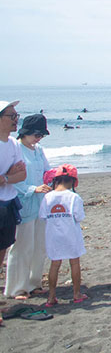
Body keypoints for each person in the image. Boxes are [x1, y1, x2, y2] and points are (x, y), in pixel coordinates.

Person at [4, 114, 52, 299]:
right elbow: (14, 179)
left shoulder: (38, 150)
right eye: (36, 134)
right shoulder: (16, 149)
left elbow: (47, 172)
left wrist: (57, 178)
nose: (38, 138)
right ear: (25, 132)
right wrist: (33, 189)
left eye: (42, 135)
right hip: (23, 203)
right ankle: (17, 288)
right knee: (22, 247)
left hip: (41, 203)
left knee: (39, 246)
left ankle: (34, 283)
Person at [39, 164, 86, 306]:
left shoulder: (47, 197)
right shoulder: (73, 197)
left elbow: (42, 216)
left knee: (55, 264)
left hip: (53, 235)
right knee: (74, 262)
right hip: (71, 234)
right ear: (72, 181)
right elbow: (79, 217)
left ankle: (51, 297)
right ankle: (76, 294)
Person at [0, 100, 27, 324]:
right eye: (12, 116)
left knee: (2, 253)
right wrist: (9, 175)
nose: (16, 120)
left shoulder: (13, 144)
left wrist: (6, 177)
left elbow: (22, 175)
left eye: (17, 116)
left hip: (8, 203)